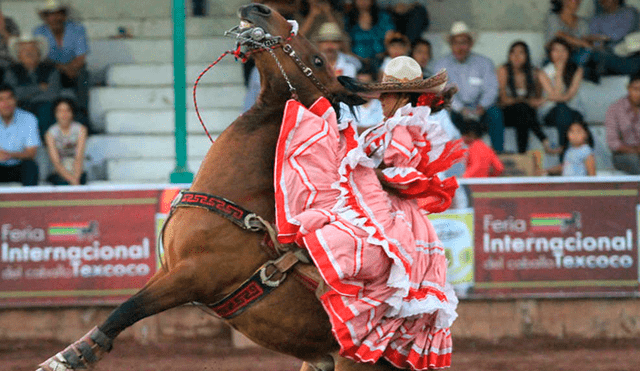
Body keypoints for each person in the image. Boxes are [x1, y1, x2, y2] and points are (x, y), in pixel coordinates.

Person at [274, 56, 461, 369]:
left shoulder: (403, 127)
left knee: (346, 246)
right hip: (387, 210)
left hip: (388, 213)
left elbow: (405, 173)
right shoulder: (400, 124)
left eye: (387, 94)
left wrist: (369, 174)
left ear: (402, 96)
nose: (382, 100)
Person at [433, 21, 505, 153]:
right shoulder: (441, 65)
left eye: (463, 42)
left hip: (481, 109)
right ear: (451, 44)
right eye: (455, 43)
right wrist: (461, 109)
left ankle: (498, 155)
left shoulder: (484, 63)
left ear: (470, 44)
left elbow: (492, 88)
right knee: (443, 114)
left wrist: (482, 106)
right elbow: (445, 92)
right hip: (456, 109)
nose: (460, 47)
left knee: (495, 113)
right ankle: (449, 158)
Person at [33, 0, 90, 129]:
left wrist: (71, 68)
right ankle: (52, 120)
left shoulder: (77, 29)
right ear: (45, 17)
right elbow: (42, 58)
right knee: (53, 75)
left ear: (64, 15)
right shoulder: (39, 31)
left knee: (84, 76)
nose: (54, 18)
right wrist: (63, 68)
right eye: (50, 15)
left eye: (58, 14)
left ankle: (83, 116)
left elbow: (81, 57)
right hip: (52, 70)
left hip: (75, 70)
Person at [497, 41, 554, 154]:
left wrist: (533, 103)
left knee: (523, 112)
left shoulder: (533, 72)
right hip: (507, 114)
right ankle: (543, 139)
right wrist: (525, 101)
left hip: (526, 115)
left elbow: (537, 98)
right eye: (513, 53)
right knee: (521, 107)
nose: (516, 56)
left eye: (521, 53)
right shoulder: (503, 70)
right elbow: (504, 99)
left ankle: (522, 154)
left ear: (527, 55)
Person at [5, 34, 63, 137]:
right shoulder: (11, 71)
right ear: (18, 55)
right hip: (20, 107)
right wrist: (39, 88)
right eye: (24, 50)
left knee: (46, 108)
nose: (29, 52)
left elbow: (53, 94)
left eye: (32, 49)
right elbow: (13, 94)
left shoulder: (51, 69)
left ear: (39, 53)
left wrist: (27, 95)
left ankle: (45, 143)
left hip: (45, 108)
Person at [538, 37, 585, 151]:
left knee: (564, 111)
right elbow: (556, 97)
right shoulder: (543, 72)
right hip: (550, 112)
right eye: (556, 50)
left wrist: (554, 98)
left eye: (563, 50)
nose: (560, 54)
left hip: (574, 110)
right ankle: (565, 150)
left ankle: (562, 149)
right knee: (562, 109)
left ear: (569, 53)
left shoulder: (577, 70)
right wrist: (558, 73)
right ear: (550, 54)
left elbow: (569, 95)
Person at [588, 0, 640, 78]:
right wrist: (599, 42)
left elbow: (618, 35)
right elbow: (595, 42)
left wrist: (603, 38)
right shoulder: (596, 19)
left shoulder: (629, 12)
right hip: (608, 54)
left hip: (630, 54)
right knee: (594, 55)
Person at [0, 84, 40, 186]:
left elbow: (31, 153)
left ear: (15, 100)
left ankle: (30, 201)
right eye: (1, 100)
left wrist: (9, 155)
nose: (6, 103)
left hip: (18, 166)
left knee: (31, 166)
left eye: (9, 98)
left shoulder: (29, 119)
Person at [45, 97, 87, 185]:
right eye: (60, 111)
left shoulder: (81, 130)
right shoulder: (50, 133)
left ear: (72, 112)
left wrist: (76, 178)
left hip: (77, 171)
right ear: (55, 113)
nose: (64, 114)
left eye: (67, 110)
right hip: (59, 173)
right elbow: (56, 162)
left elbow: (78, 158)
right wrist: (72, 180)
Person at [605, 73, 640, 174]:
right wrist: (635, 150)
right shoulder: (615, 109)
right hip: (623, 155)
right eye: (635, 89)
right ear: (628, 88)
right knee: (633, 161)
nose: (639, 93)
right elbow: (612, 142)